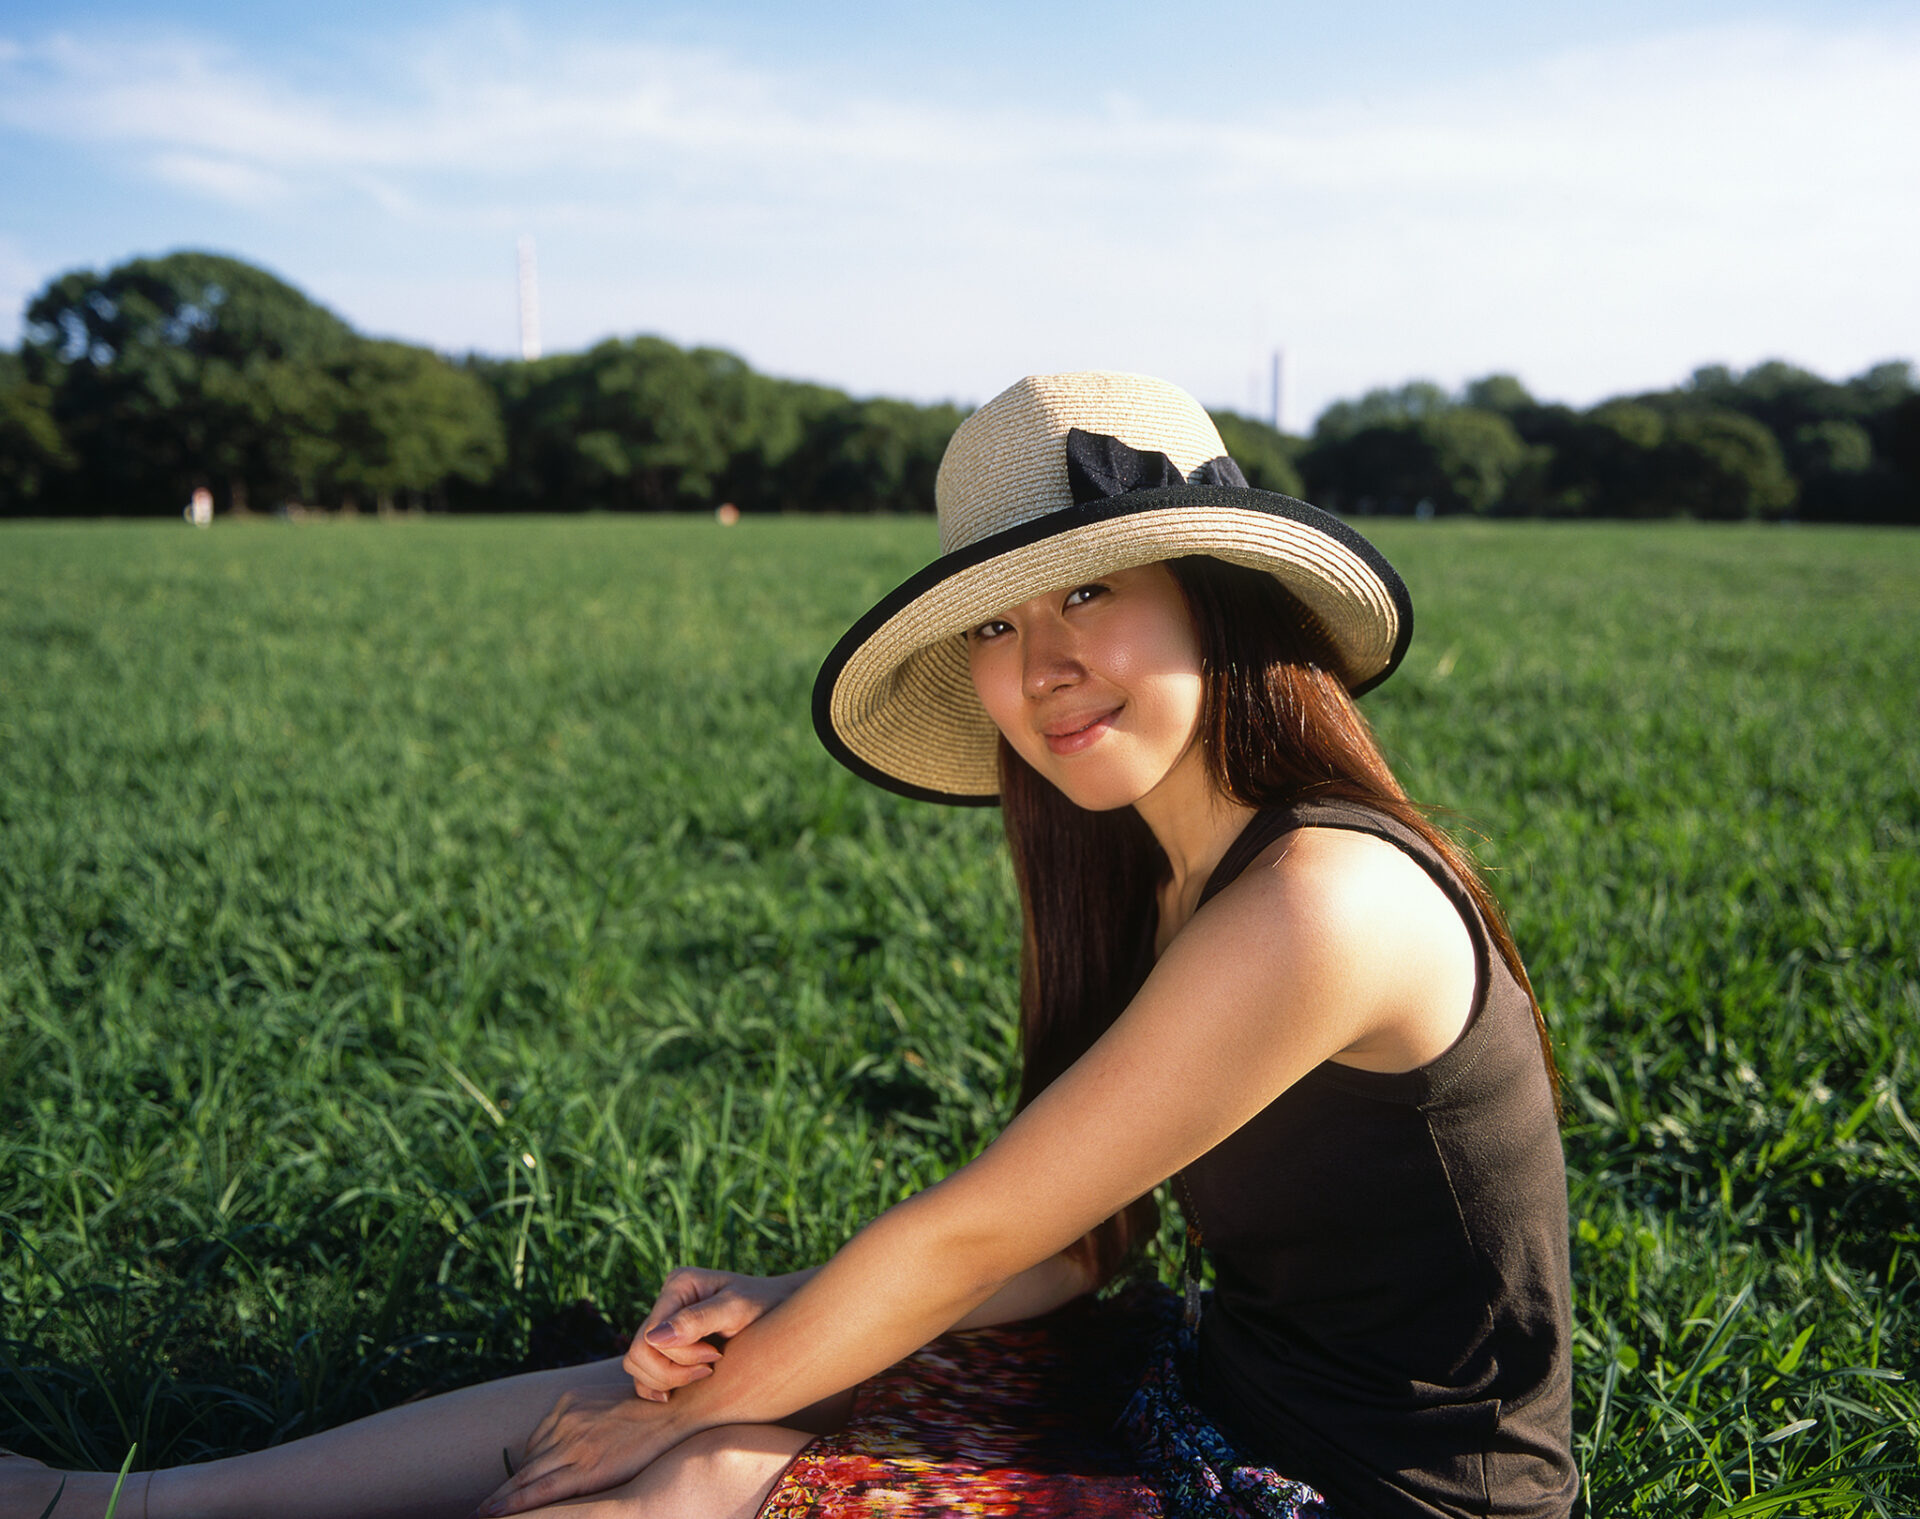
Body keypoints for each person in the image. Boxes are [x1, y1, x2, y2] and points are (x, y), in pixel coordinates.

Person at [1, 372, 1576, 1519]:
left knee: (657, 1487)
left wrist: (706, 1416)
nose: (1040, 669)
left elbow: (967, 1235)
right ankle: (117, 1507)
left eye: (1089, 587)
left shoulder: (1323, 900)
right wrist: (783, 1300)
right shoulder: (1163, 874)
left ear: (1220, 598)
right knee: (672, 1400)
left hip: (1371, 1496)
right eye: (998, 626)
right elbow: (1079, 1240)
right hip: (1201, 1392)